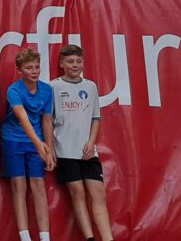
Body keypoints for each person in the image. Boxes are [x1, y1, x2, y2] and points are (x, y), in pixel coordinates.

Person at [52, 45, 114, 241]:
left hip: (87, 151)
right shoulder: (53, 87)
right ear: (62, 63)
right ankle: (89, 238)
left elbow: (96, 118)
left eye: (78, 61)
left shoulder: (90, 86)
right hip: (64, 150)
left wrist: (91, 142)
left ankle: (108, 238)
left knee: (98, 194)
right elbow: (47, 120)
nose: (75, 65)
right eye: (70, 61)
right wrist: (50, 148)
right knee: (77, 193)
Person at [1, 48, 55, 241]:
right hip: (13, 140)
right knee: (18, 185)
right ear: (19, 70)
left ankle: (45, 237)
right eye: (29, 67)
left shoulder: (47, 90)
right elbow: (23, 118)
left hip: (37, 141)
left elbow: (47, 120)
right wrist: (39, 145)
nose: (34, 71)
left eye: (37, 67)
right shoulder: (14, 90)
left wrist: (49, 149)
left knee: (38, 185)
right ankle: (25, 236)